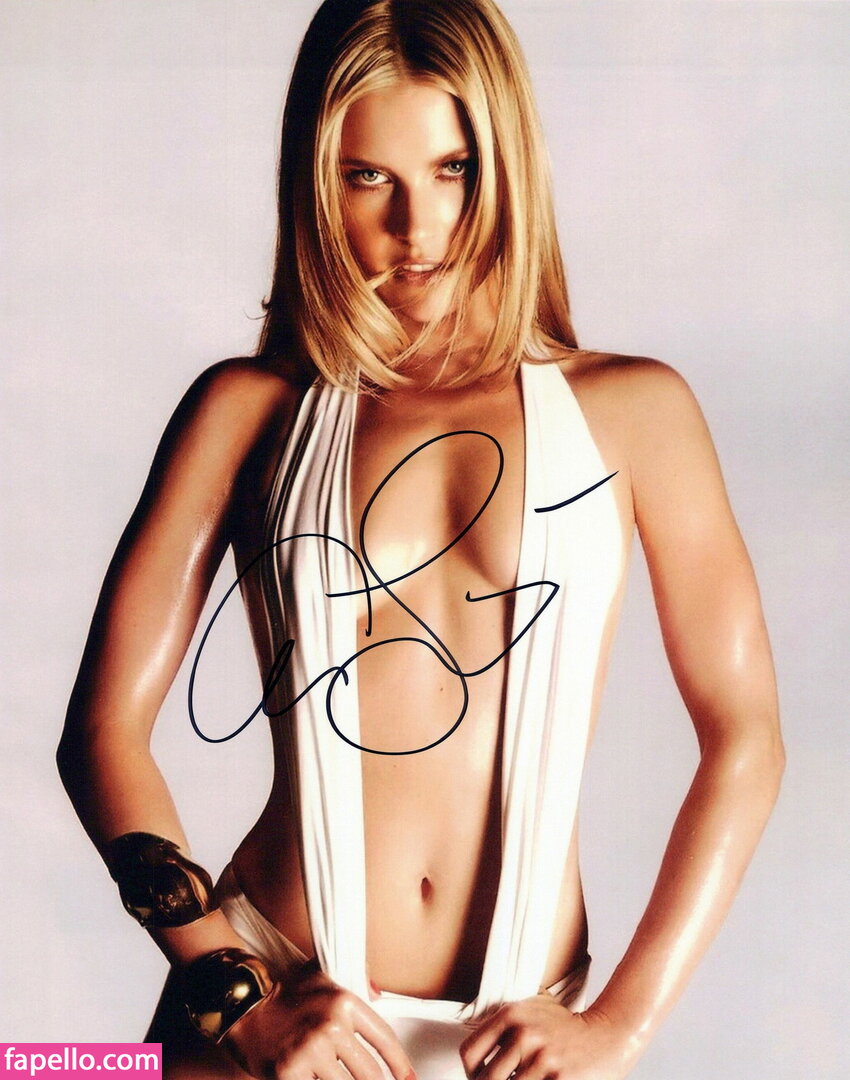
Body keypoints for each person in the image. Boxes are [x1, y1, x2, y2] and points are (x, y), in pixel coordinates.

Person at [57, 1, 784, 1077]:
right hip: (275, 1002)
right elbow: (101, 735)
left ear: (507, 163)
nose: (419, 227)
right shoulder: (247, 410)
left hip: (519, 1034)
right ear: (317, 184)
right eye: (369, 178)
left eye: (453, 169)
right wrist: (237, 1002)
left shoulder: (637, 412)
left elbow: (744, 734)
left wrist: (623, 1024)